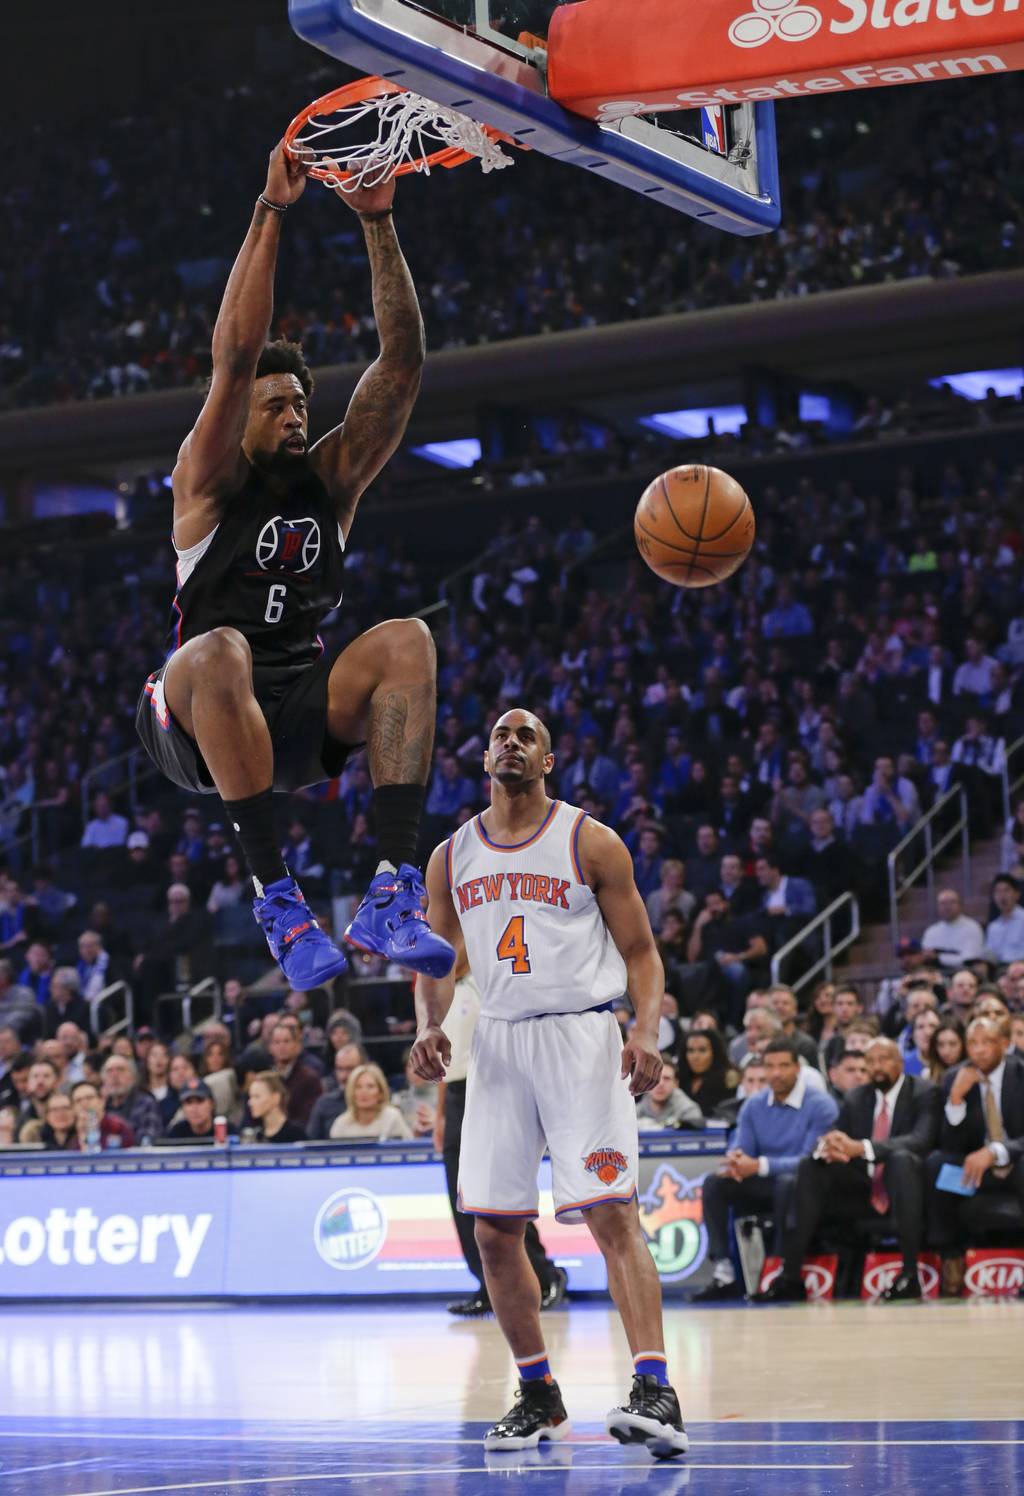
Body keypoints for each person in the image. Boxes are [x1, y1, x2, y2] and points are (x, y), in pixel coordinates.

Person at [132, 140, 454, 993]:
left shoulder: (331, 482)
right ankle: (278, 901)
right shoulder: (206, 480)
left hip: (292, 715)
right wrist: (272, 210)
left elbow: (402, 365)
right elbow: (235, 358)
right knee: (220, 649)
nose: (295, 415)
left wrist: (378, 223)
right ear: (239, 418)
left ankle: (392, 889)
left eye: (301, 403)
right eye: (276, 405)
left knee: (408, 639)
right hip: (194, 715)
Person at [411, 707, 688, 1457]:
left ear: (548, 761)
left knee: (612, 1215)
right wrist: (429, 1024)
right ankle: (539, 1395)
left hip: (581, 1036)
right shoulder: (451, 855)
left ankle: (655, 1388)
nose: (511, 742)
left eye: (526, 735)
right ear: (484, 759)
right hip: (498, 1041)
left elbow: (642, 952)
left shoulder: (590, 840)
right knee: (493, 1231)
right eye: (500, 735)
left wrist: (645, 1031)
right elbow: (439, 958)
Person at [759, 1038, 941, 1302]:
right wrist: (829, 1147)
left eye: (883, 1060)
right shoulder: (857, 1097)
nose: (876, 1067)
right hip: (863, 1189)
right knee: (811, 1166)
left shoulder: (923, 1092)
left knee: (901, 1160)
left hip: (908, 1188)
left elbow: (920, 1141)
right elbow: (840, 1137)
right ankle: (791, 1277)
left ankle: (910, 1275)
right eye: (871, 1061)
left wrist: (863, 1148)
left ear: (900, 1063)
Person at [434, 961, 568, 1319]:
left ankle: (545, 1274)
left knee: (499, 1194)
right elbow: (444, 1061)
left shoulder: (487, 976)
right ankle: (488, 1284)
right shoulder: (439, 986)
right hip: (456, 1094)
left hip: (492, 1085)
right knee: (462, 1196)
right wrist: (440, 1115)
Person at [694, 1037, 839, 1301]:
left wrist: (758, 1165)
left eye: (783, 1066)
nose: (776, 1073)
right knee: (714, 1183)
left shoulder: (820, 1104)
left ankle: (783, 1269)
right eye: (770, 1066)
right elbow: (742, 1148)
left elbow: (809, 1161)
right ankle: (724, 1271)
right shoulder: (754, 1105)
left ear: (797, 1068)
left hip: (807, 1186)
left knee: (787, 1183)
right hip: (764, 1182)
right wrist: (736, 1160)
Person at [925, 1015, 1024, 1292]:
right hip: (976, 1175)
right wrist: (956, 1099)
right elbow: (950, 1144)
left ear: (1003, 1044)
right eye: (972, 1043)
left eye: (987, 1042)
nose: (979, 1050)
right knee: (936, 1164)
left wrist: (995, 1151)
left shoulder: (1021, 1073)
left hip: (1017, 1166)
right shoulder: (955, 1077)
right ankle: (951, 1257)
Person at [328, 1063, 415, 1140]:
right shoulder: (341, 1124)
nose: (364, 1092)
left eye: (370, 1086)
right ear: (352, 1093)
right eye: (358, 1087)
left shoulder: (392, 1117)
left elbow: (409, 1148)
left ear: (380, 1093)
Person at [306, 1042, 369, 1139]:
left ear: (364, 1067)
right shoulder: (324, 1104)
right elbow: (311, 1143)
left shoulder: (378, 1101)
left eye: (350, 1069)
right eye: (339, 1069)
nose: (343, 1076)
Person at [268, 1018, 323, 1126]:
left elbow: (308, 1119)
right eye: (277, 1042)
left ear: (297, 1046)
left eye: (286, 1041)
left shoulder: (309, 1079)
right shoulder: (265, 1080)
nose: (282, 1046)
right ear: (270, 1048)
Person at [101, 1054, 164, 1141]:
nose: (114, 1075)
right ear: (104, 1080)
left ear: (132, 1077)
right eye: (109, 1071)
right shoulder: (101, 1107)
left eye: (120, 1069)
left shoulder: (146, 1104)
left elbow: (148, 1139)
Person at [678, 1028, 736, 1120]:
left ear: (715, 1053)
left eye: (702, 1050)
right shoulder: (677, 1080)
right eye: (690, 1050)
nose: (695, 1057)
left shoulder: (728, 1080)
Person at [921, 888, 985, 971]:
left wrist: (938, 957)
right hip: (935, 972)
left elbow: (969, 960)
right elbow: (925, 956)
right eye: (943, 903)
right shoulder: (931, 931)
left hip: (964, 972)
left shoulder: (972, 927)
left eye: (952, 902)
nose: (947, 907)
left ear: (961, 905)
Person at [636, 1056, 703, 1130]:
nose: (660, 1084)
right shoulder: (634, 1111)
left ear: (676, 1083)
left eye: (666, 1078)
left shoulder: (688, 1110)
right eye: (655, 1078)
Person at [70, 1080, 135, 1150]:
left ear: (102, 1101)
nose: (84, 1103)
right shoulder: (69, 1131)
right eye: (78, 1100)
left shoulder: (118, 1127)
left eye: (89, 1098)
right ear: (73, 1108)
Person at [247, 1070, 307, 1142]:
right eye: (250, 1097)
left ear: (275, 1098)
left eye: (257, 1097)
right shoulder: (256, 1135)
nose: (250, 1102)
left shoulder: (296, 1134)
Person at [986, 875, 1024, 965]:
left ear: (1017, 894)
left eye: (1006, 890)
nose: (1002, 896)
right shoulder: (993, 926)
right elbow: (990, 954)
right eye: (998, 891)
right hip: (998, 968)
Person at [927, 1019, 967, 1084]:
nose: (946, 1051)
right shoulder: (928, 1076)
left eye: (953, 1044)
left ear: (964, 1044)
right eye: (941, 1044)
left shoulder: (976, 1074)